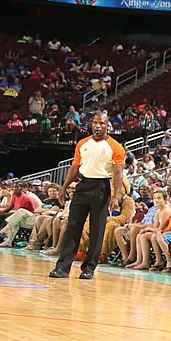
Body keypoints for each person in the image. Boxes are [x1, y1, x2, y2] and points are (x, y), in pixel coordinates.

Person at [49, 111, 125, 279]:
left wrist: (115, 196)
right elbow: (74, 168)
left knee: (97, 230)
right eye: (95, 123)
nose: (98, 126)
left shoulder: (115, 147)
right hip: (83, 186)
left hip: (102, 187)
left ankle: (89, 268)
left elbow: (118, 173)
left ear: (107, 126)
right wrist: (63, 188)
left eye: (102, 123)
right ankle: (62, 268)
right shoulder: (82, 143)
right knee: (72, 227)